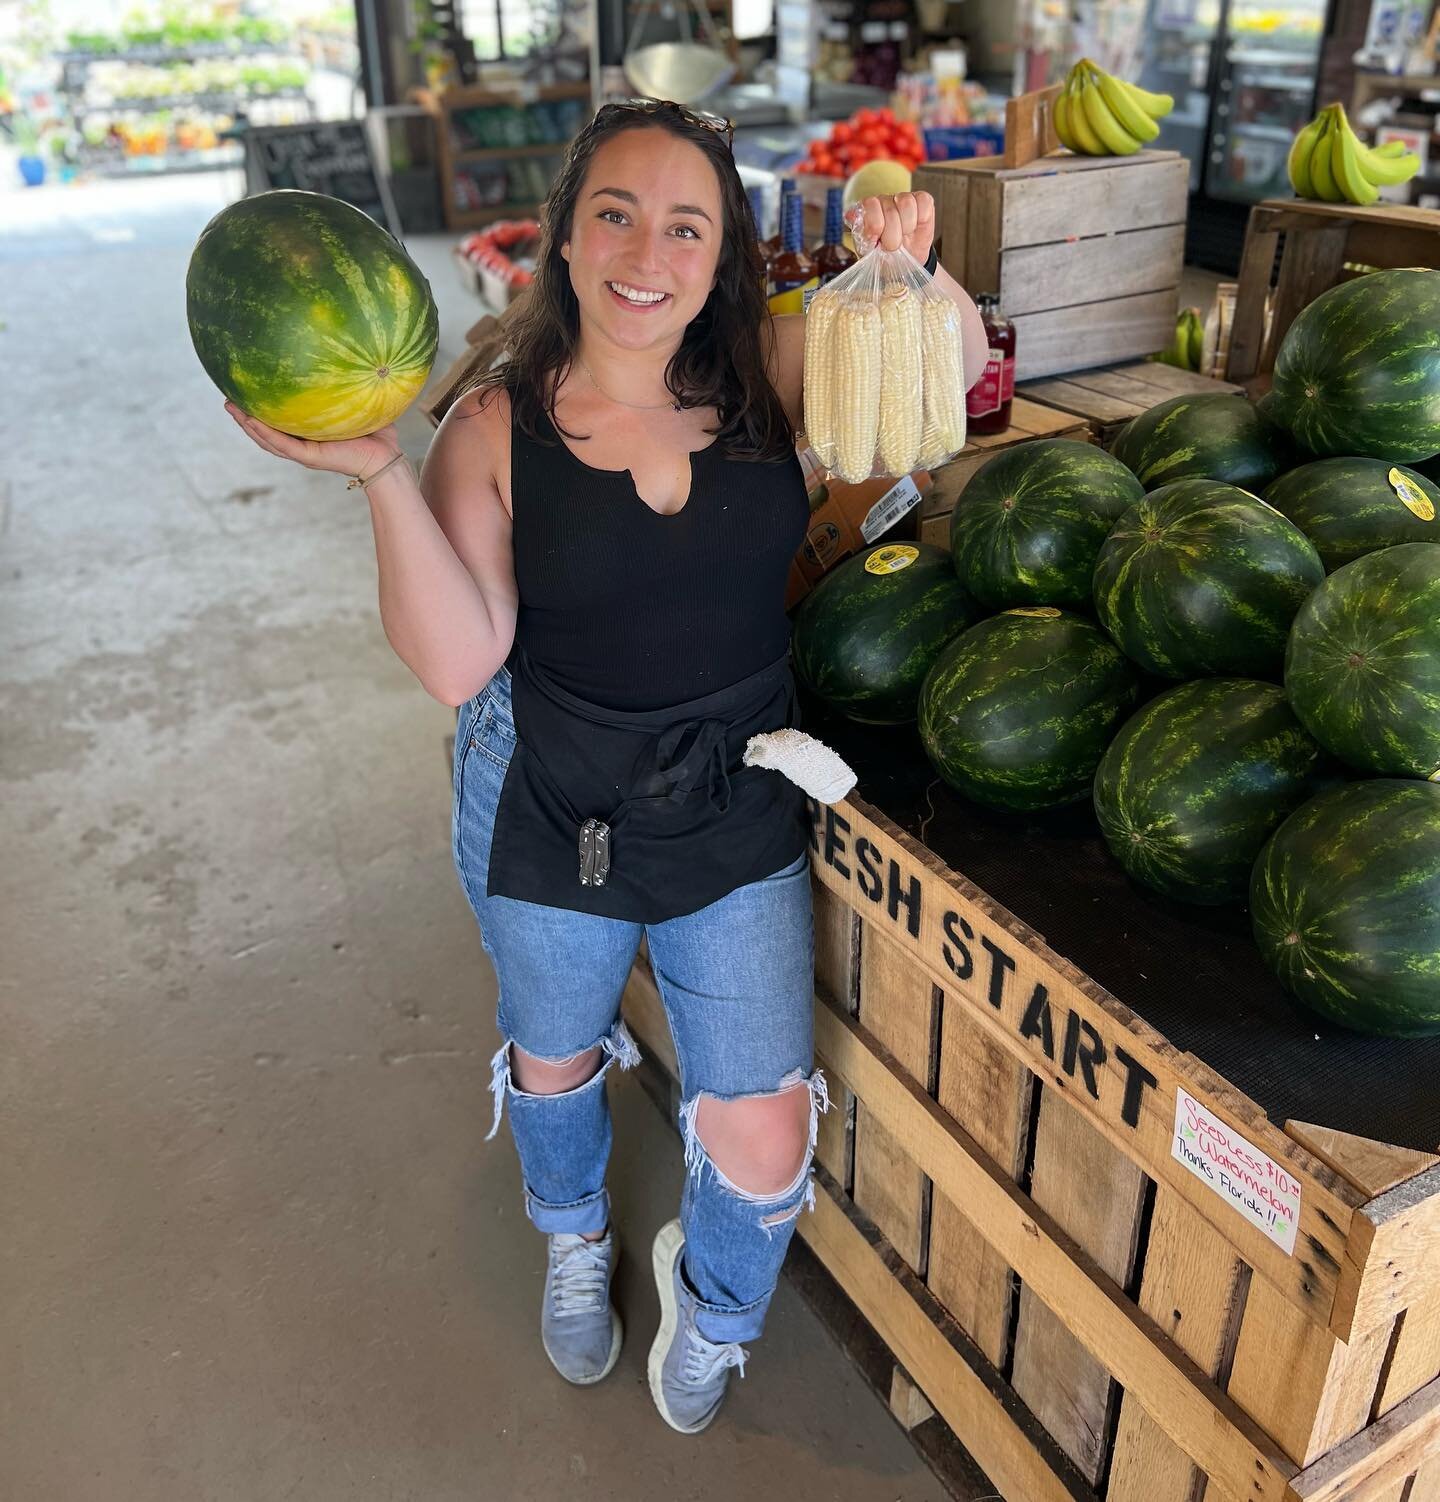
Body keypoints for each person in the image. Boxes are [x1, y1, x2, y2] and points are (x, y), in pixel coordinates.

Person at [227, 96, 988, 1436]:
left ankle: (718, 1307)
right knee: (558, 1056)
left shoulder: (777, 364)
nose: (650, 250)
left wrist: (912, 276)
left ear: (724, 252)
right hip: (552, 800)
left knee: (758, 1128)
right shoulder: (490, 428)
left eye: (687, 224)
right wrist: (377, 478)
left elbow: (954, 377)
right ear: (567, 242)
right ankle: (574, 1231)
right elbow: (463, 662)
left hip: (734, 798)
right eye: (617, 215)